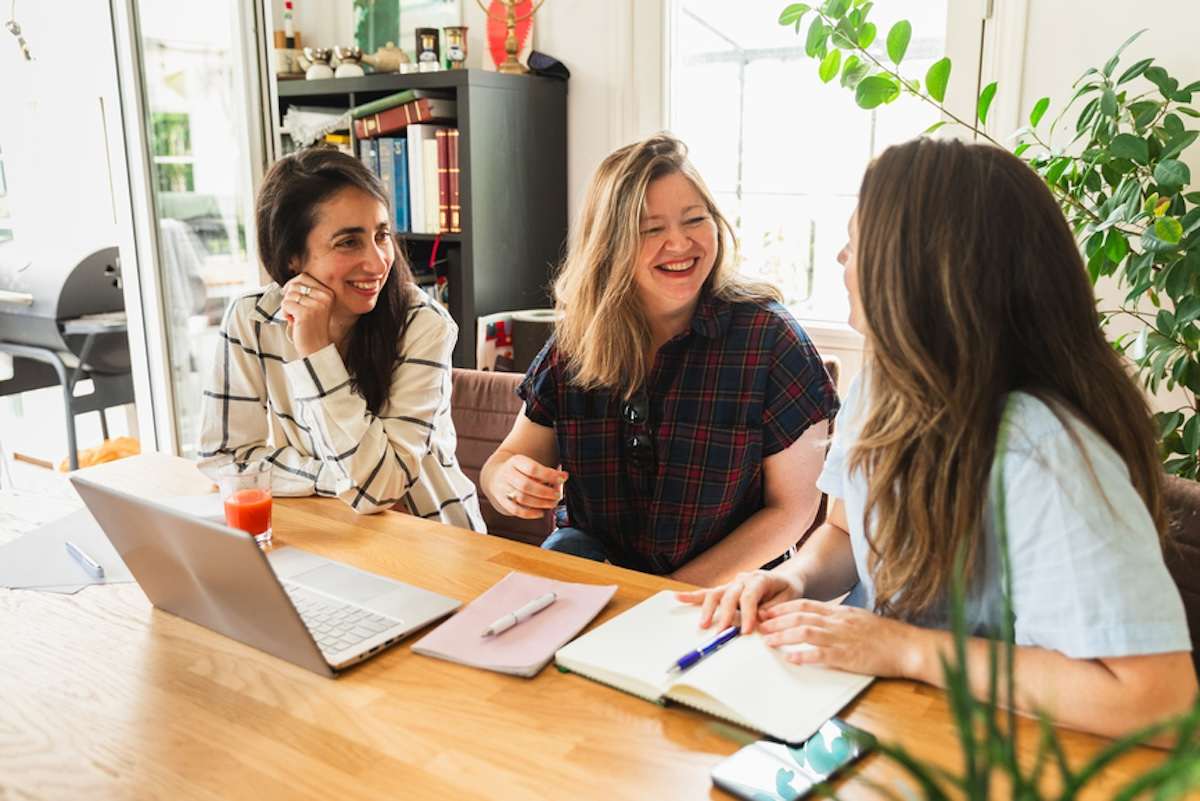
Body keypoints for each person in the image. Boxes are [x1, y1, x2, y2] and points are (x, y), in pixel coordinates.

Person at [679, 137, 1197, 738]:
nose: (842, 257)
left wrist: (904, 650)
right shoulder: (883, 379)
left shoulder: (1043, 449)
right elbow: (847, 533)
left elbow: (1159, 702)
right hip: (867, 710)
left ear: (923, 271)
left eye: (858, 242)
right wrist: (791, 581)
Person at [480, 133, 837, 585]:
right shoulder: (577, 339)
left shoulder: (770, 339)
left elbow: (793, 510)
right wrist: (506, 483)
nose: (680, 243)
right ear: (609, 245)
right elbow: (505, 460)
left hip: (726, 590)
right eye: (651, 230)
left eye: (694, 220)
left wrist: (664, 597)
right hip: (590, 576)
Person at [198, 147, 483, 531]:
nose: (379, 261)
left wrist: (316, 353)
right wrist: (334, 477)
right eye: (349, 242)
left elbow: (379, 490)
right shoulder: (253, 319)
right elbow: (225, 458)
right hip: (329, 528)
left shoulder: (425, 325)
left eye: (381, 235)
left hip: (431, 537)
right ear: (292, 258)